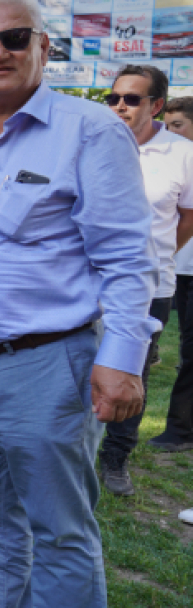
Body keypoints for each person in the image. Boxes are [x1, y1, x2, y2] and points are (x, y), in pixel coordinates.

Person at [0, 0, 156, 608]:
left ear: (44, 47)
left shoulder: (91, 130)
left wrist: (122, 359)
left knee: (58, 532)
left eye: (14, 38)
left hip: (47, 366)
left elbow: (129, 256)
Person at [97, 65, 193, 496]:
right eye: (114, 98)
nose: (120, 106)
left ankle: (115, 458)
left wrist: (156, 257)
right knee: (74, 366)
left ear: (156, 105)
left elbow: (188, 216)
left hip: (151, 288)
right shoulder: (94, 140)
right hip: (89, 283)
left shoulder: (182, 153)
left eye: (132, 99)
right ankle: (72, 450)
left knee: (131, 372)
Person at [152, 96, 193, 454]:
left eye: (178, 125)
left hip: (177, 266)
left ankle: (181, 429)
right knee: (186, 349)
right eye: (167, 125)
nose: (170, 132)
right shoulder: (165, 161)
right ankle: (181, 428)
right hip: (178, 269)